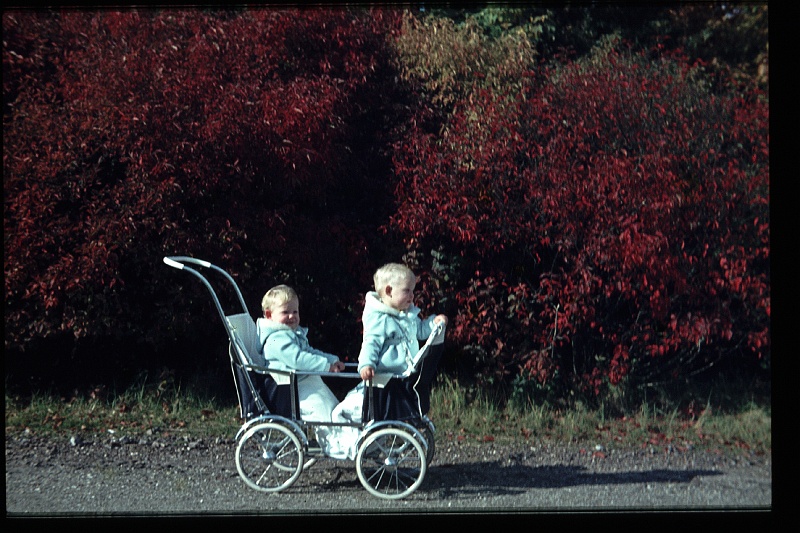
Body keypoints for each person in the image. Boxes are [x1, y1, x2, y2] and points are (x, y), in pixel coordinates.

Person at [325, 263, 447, 460]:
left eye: (412, 292)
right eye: (407, 291)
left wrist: (433, 322)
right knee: (344, 409)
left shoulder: (407, 315)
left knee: (343, 410)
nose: (412, 296)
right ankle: (350, 444)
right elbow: (370, 344)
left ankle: (357, 446)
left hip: (393, 381)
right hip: (382, 379)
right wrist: (366, 364)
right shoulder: (379, 319)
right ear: (389, 291)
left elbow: (422, 331)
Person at [257, 284, 344, 446]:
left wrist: (331, 360)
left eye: (295, 311)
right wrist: (325, 366)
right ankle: (339, 444)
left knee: (333, 409)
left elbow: (309, 352)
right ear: (269, 315)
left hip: (305, 381)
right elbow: (298, 359)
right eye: (285, 312)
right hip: (293, 388)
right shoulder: (276, 340)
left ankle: (346, 438)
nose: (292, 316)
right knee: (323, 414)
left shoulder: (291, 335)